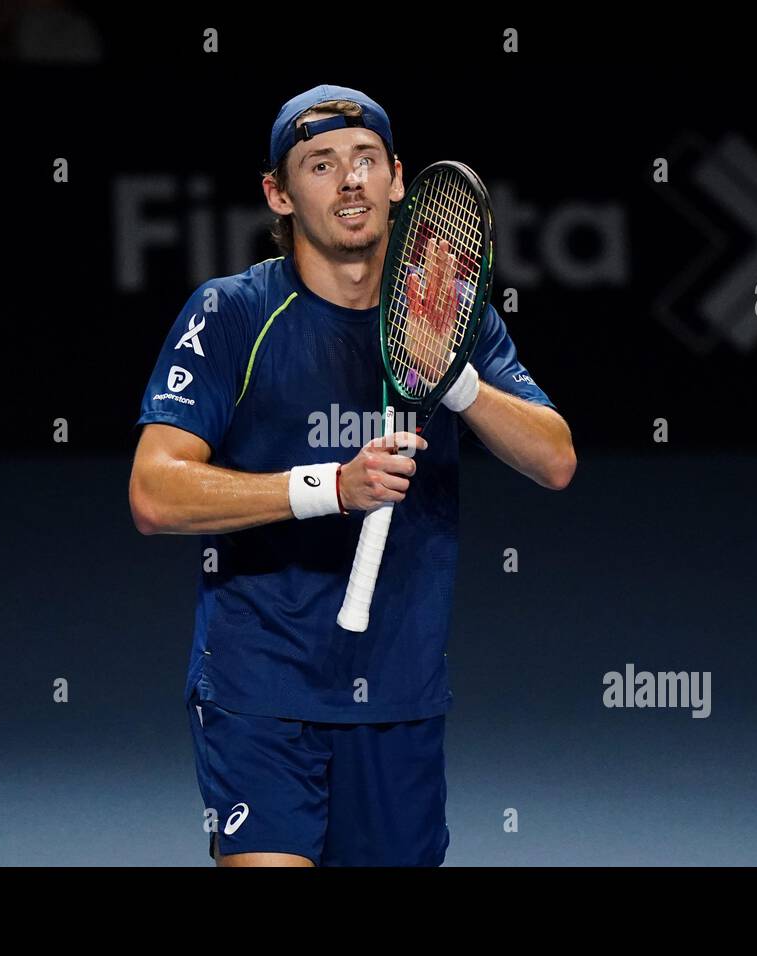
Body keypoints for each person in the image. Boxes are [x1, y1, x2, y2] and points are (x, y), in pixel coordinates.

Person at [129, 84, 576, 866]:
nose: (350, 181)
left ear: (398, 178)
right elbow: (155, 492)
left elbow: (556, 459)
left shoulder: (448, 314)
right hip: (257, 685)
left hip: (398, 692)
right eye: (321, 164)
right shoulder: (232, 312)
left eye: (367, 159)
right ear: (278, 192)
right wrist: (328, 488)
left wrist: (457, 379)